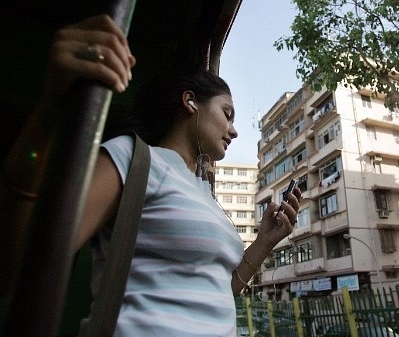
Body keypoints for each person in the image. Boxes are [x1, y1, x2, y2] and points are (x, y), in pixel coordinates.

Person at [1, 15, 301, 336]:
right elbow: (31, 255)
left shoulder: (203, 191)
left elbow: (214, 292)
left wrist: (267, 239)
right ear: (190, 103)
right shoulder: (135, 158)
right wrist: (49, 110)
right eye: (227, 114)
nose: (234, 130)